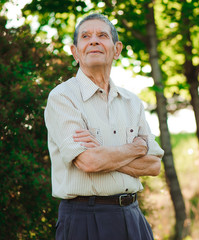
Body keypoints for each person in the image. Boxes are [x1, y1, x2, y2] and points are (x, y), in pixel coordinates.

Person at [44, 13, 164, 240]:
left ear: (117, 49)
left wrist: (103, 153)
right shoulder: (62, 98)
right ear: (75, 52)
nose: (94, 41)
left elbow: (153, 166)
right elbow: (88, 161)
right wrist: (136, 149)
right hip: (84, 219)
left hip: (133, 216)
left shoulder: (132, 102)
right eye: (86, 36)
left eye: (102, 35)